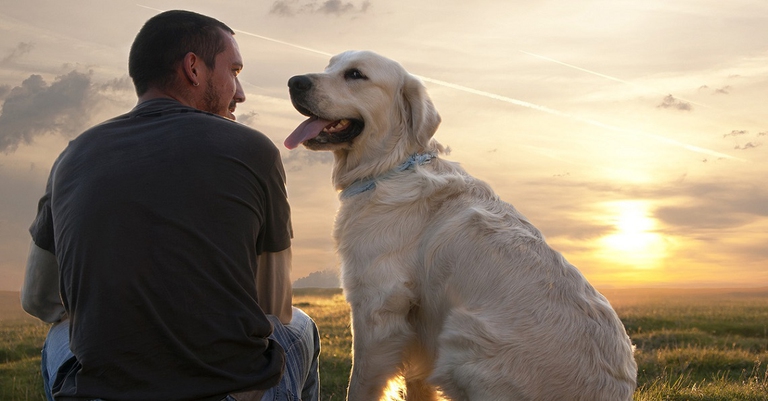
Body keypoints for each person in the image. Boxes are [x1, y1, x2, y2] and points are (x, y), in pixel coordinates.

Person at [20, 10, 320, 401]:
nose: (241, 93)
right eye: (234, 71)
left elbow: (37, 299)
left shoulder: (72, 157)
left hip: (102, 392)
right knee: (300, 326)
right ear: (193, 68)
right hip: (229, 391)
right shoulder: (253, 149)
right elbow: (274, 306)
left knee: (61, 334)